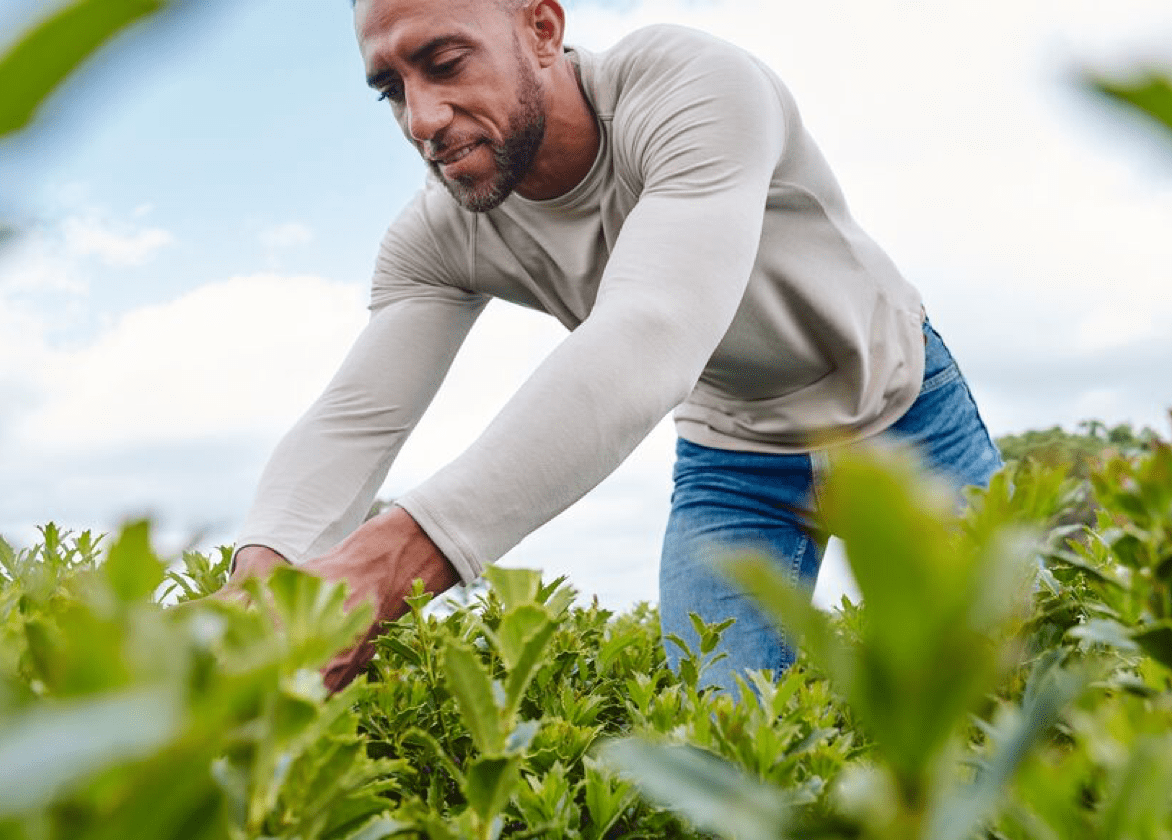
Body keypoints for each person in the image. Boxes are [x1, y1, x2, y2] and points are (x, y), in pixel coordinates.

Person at [230, 0, 1003, 694]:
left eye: (444, 64)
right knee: (716, 729)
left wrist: (401, 557)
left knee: (1034, 663)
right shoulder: (436, 236)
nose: (422, 119)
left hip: (899, 400)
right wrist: (260, 579)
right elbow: (358, 415)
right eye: (392, 90)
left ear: (542, 29)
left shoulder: (690, 85)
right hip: (735, 458)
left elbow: (652, 325)